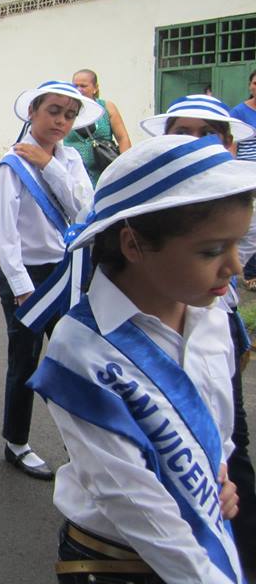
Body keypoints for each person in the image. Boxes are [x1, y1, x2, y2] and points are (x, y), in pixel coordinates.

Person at [28, 134, 248, 583]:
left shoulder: (211, 317)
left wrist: (217, 475)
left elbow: (216, 427)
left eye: (237, 246)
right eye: (210, 251)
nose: (235, 268)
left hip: (202, 538)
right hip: (113, 562)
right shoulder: (81, 348)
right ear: (132, 245)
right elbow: (130, 499)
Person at [138, 94, 256, 578]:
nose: (194, 143)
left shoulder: (240, 194)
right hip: (161, 321)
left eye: (206, 133)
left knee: (228, 435)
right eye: (182, 132)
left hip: (216, 318)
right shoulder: (149, 198)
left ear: (228, 143)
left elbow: (241, 259)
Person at [0, 80, 102, 480]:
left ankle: (84, 446)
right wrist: (20, 286)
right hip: (28, 279)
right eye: (53, 110)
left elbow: (85, 207)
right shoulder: (10, 164)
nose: (61, 121)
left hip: (66, 270)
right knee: (25, 361)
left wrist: (48, 163)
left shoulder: (69, 159)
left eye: (70, 115)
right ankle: (16, 442)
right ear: (33, 111)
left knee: (72, 359)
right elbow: (4, 233)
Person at [64, 68, 132, 185]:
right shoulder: (65, 109)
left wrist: (124, 169)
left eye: (83, 86)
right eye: (75, 86)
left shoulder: (107, 107)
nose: (79, 89)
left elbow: (122, 138)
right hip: (74, 176)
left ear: (95, 88)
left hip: (104, 174)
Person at [229, 70, 256, 286]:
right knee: (250, 223)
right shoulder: (239, 111)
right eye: (255, 83)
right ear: (250, 86)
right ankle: (249, 273)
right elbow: (233, 144)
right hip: (247, 173)